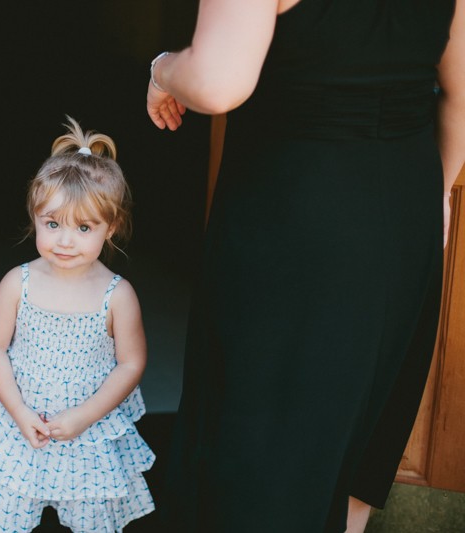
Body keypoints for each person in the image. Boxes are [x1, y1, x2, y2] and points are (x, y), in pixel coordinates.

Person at [146, 1, 464, 532]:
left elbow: (220, 81)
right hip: (405, 203)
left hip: (296, 213)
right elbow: (461, 91)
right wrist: (441, 192)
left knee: (261, 448)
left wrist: (161, 69)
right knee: (354, 432)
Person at [0, 116, 155, 532]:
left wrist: (85, 416)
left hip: (89, 435)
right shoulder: (17, 283)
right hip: (22, 429)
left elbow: (130, 364)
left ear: (110, 227)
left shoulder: (117, 295)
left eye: (84, 227)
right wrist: (19, 410)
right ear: (36, 216)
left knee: (93, 521)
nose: (65, 240)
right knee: (7, 520)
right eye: (53, 224)